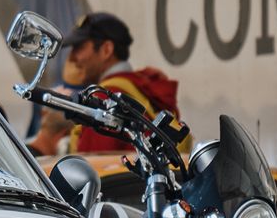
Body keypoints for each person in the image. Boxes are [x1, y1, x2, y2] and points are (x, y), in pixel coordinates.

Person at [28, 11, 181, 158]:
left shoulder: (106, 97)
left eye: (79, 48)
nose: (73, 58)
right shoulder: (142, 86)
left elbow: (93, 168)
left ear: (106, 50)